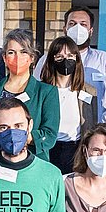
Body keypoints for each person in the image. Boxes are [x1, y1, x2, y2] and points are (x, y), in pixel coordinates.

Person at [0, 28, 60, 162]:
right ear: (4, 57)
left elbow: (49, 135)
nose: (17, 58)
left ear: (32, 58)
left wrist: (13, 134)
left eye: (23, 52)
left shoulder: (46, 92)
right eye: (11, 52)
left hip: (29, 164)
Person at [33, 6, 106, 113]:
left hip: (94, 126)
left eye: (83, 24)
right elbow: (36, 92)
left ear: (91, 31)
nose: (78, 28)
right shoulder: (47, 59)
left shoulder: (105, 61)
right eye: (72, 24)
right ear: (65, 29)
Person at [39, 36, 98, 172]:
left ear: (77, 59)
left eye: (70, 55)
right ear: (52, 60)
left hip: (75, 150)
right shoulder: (41, 90)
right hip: (47, 150)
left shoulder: (89, 92)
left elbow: (91, 125)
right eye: (59, 56)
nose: (65, 60)